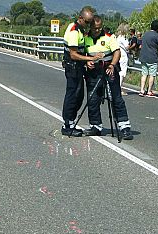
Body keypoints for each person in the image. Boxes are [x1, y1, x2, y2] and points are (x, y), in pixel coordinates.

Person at [83, 16, 133, 140]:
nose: (97, 30)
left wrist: (112, 65)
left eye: (99, 28)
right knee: (93, 99)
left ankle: (124, 127)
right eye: (95, 28)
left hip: (109, 70)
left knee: (116, 99)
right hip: (94, 72)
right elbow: (82, 54)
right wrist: (87, 62)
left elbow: (117, 52)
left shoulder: (109, 37)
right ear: (90, 27)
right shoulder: (85, 38)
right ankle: (96, 126)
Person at [61, 7, 102, 137]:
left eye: (91, 22)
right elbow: (73, 54)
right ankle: (67, 124)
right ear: (80, 18)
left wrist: (86, 61)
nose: (89, 25)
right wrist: (91, 58)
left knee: (79, 96)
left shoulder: (79, 30)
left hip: (78, 68)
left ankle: (71, 122)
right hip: (72, 67)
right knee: (73, 96)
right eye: (87, 22)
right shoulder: (74, 31)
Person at [138, 20, 158, 97]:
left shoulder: (145, 34)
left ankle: (142, 90)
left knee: (144, 74)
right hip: (152, 58)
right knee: (152, 75)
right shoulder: (157, 35)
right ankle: (149, 91)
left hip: (143, 57)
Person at [116, 23, 131, 95]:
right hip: (123, 56)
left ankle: (118, 88)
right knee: (122, 73)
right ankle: (119, 88)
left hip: (119, 55)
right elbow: (127, 47)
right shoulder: (123, 38)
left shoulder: (118, 37)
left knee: (119, 72)